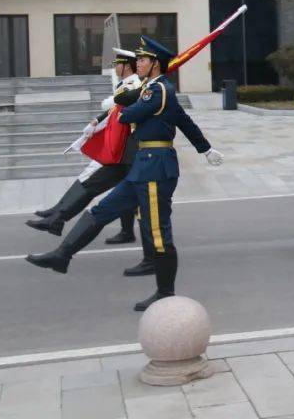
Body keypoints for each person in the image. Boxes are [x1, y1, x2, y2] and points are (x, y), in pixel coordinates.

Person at [25, 36, 224, 311]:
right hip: (144, 164)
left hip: (156, 168)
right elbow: (184, 121)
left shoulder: (158, 91)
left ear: (155, 64)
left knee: (158, 234)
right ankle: (62, 255)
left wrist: (123, 101)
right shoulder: (154, 89)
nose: (138, 63)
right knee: (101, 211)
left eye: (142, 60)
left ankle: (165, 293)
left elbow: (127, 116)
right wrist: (206, 149)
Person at [27, 49, 143, 253]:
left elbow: (119, 105)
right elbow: (114, 109)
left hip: (131, 152)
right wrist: (98, 120)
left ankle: (148, 249)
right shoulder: (129, 85)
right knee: (93, 185)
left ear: (127, 65)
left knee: (123, 197)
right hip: (123, 153)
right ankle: (58, 219)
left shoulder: (135, 85)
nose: (115, 66)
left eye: (118, 63)